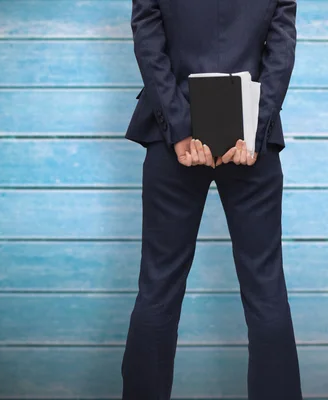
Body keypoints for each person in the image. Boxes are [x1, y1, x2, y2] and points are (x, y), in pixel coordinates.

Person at [121, 0, 302, 399]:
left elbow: (149, 43)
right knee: (266, 285)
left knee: (159, 285)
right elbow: (282, 48)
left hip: (172, 140)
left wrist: (180, 127)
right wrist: (252, 129)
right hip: (250, 143)